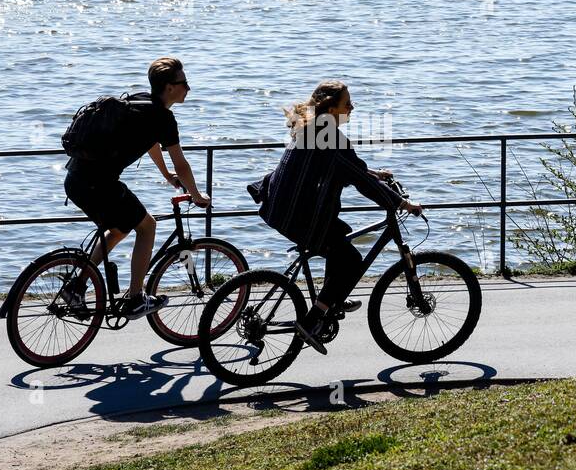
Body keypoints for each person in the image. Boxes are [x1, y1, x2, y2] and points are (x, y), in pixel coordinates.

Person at [252, 80, 422, 353]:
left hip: (279, 205)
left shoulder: (312, 127)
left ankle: (330, 299)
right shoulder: (329, 136)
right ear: (332, 109)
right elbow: (355, 177)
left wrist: (375, 173)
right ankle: (313, 320)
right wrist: (400, 202)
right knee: (352, 260)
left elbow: (349, 166)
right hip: (296, 214)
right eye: (347, 104)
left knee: (339, 237)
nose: (352, 107)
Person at [64, 57, 211, 317]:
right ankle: (135, 298)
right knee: (147, 226)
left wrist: (167, 174)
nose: (189, 88)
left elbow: (150, 142)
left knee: (120, 228)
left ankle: (77, 285)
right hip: (99, 184)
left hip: (76, 179)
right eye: (184, 83)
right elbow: (183, 163)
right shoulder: (164, 118)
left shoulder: (141, 100)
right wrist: (197, 195)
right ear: (169, 87)